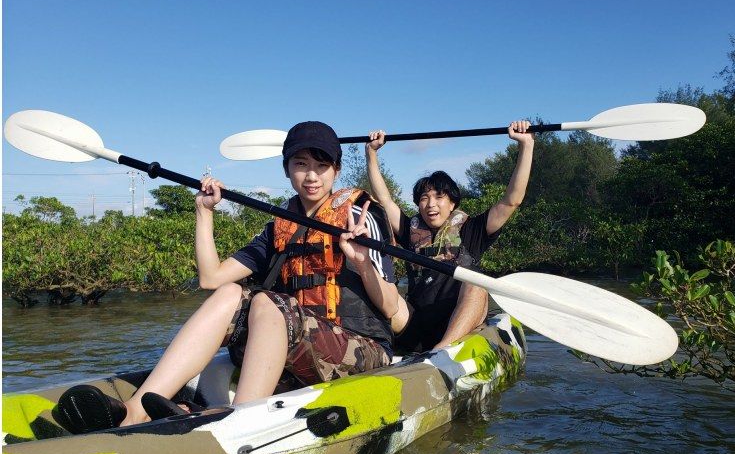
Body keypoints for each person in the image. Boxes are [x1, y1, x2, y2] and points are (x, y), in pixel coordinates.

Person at [57, 121, 399, 432]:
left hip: (362, 351)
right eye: (301, 165)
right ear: (287, 170)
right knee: (230, 294)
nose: (312, 176)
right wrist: (204, 213)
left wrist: (363, 262)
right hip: (298, 346)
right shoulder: (279, 227)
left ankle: (241, 420)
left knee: (266, 302)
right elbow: (211, 278)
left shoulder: (360, 216)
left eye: (321, 166)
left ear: (336, 170)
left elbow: (392, 310)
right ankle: (136, 409)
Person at [366, 121, 534, 353]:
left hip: (456, 323)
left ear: (452, 202)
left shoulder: (472, 230)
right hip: (416, 322)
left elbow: (511, 200)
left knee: (478, 283)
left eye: (439, 197)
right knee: (388, 291)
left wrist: (526, 145)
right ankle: (382, 351)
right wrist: (371, 153)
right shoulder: (409, 230)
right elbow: (384, 199)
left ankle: (441, 352)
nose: (431, 204)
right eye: (424, 198)